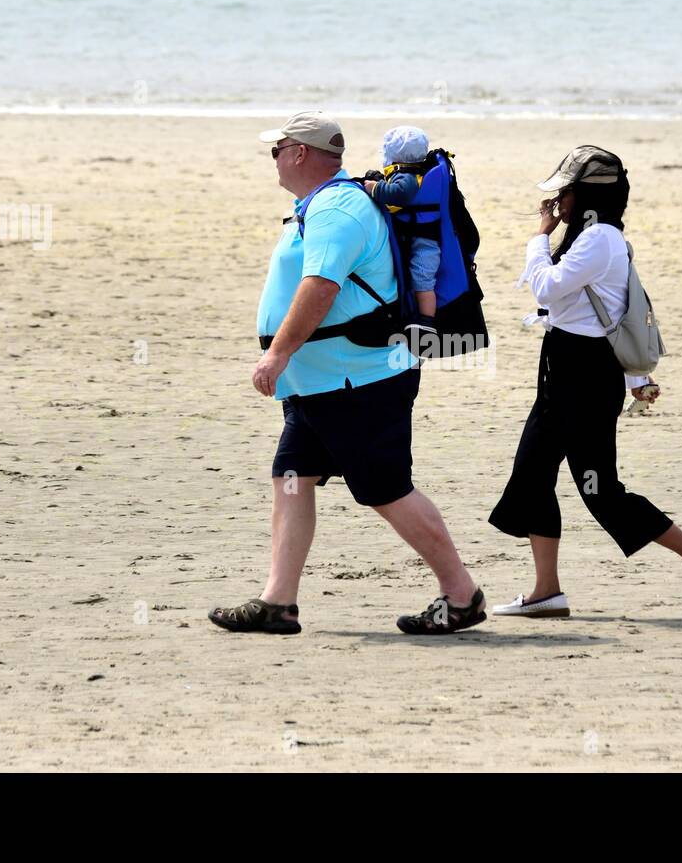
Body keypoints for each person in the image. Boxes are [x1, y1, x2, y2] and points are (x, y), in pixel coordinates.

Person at [207, 111, 486, 635]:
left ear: (299, 154)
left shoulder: (337, 208)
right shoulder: (324, 204)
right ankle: (278, 602)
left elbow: (321, 287)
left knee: (386, 489)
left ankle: (461, 594)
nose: (273, 158)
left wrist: (277, 355)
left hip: (358, 379)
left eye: (277, 149)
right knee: (291, 477)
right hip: (324, 381)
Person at [487, 145, 682, 619]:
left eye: (566, 190)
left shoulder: (598, 239)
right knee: (588, 485)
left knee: (549, 476)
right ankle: (549, 590)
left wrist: (539, 236)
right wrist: (636, 377)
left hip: (578, 375)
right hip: (575, 368)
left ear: (586, 197)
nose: (557, 198)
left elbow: (545, 286)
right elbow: (611, 308)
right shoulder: (597, 237)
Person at [361, 126, 441, 336]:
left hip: (425, 241)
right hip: (417, 236)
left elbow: (400, 195)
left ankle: (426, 321)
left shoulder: (407, 176)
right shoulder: (411, 172)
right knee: (417, 278)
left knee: (423, 279)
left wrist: (373, 188)